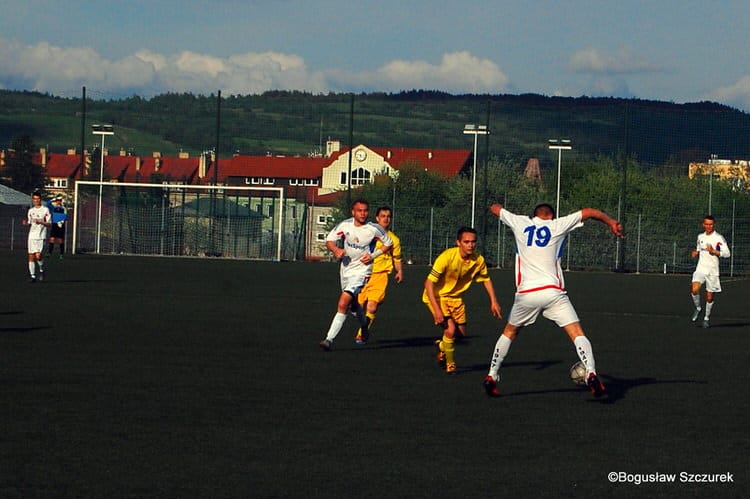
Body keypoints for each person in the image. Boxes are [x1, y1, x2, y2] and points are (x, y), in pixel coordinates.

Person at [483, 202, 623, 398]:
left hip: (526, 294)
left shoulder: (520, 222)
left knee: (509, 332)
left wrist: (494, 206)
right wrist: (611, 222)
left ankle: (492, 374)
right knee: (576, 332)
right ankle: (590, 372)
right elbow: (589, 211)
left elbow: (496, 209)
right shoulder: (558, 225)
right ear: (551, 216)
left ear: (534, 216)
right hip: (552, 292)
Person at [423, 227, 502, 374]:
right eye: (466, 242)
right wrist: (436, 310)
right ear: (458, 242)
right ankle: (450, 364)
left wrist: (494, 301)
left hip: (456, 299)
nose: (470, 245)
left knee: (460, 335)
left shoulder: (478, 260)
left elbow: (486, 279)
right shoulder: (446, 257)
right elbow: (428, 283)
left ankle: (441, 346)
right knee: (450, 330)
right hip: (438, 297)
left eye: (473, 242)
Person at [319, 198, 393, 351]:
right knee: (353, 306)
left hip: (362, 271)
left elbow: (388, 243)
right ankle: (364, 324)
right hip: (346, 269)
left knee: (343, 302)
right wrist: (336, 250)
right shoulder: (345, 225)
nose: (363, 213)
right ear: (353, 212)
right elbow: (330, 240)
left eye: (365, 210)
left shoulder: (374, 229)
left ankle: (328, 339)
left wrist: (373, 256)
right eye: (359, 210)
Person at [354, 206, 403, 345]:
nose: (386, 219)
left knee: (372, 307)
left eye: (388, 216)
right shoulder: (367, 233)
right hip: (363, 274)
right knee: (358, 306)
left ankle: (361, 333)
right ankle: (364, 326)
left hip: (381, 275)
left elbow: (397, 258)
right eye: (383, 216)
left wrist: (399, 271)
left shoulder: (394, 239)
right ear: (377, 218)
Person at [690, 215, 730, 328]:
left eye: (711, 224)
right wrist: (695, 253)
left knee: (709, 297)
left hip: (713, 271)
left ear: (714, 225)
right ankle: (698, 308)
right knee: (694, 289)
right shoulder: (700, 236)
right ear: (703, 224)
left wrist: (714, 252)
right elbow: (698, 249)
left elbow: (727, 254)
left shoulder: (718, 238)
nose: (708, 226)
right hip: (701, 268)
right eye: (706, 224)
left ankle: (706, 318)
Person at [22, 191, 52, 283]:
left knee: (38, 256)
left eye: (38, 199)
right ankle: (33, 276)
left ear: (40, 199)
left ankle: (41, 270)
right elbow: (30, 222)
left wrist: (41, 222)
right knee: (31, 256)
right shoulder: (31, 211)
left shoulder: (45, 210)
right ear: (33, 200)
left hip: (41, 236)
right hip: (31, 236)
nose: (36, 200)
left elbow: (49, 223)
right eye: (34, 199)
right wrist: (26, 223)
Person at [47, 194, 68, 258]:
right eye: (57, 200)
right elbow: (48, 204)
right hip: (54, 225)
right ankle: (49, 253)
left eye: (59, 200)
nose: (58, 202)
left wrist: (61, 222)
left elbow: (66, 216)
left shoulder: (63, 208)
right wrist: (53, 199)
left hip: (61, 225)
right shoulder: (54, 208)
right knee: (52, 239)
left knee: (60, 240)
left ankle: (61, 254)